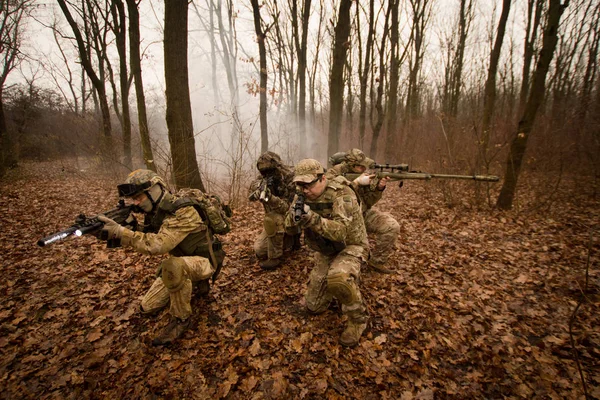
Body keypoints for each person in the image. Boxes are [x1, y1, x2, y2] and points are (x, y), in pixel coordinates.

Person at [98, 169, 226, 346]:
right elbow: (152, 233)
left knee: (173, 266)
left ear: (154, 191)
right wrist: (132, 228)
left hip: (205, 262)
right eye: (133, 199)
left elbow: (158, 245)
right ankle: (194, 283)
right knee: (147, 307)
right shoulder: (159, 212)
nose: (136, 203)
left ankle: (182, 319)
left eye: (139, 197)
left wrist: (123, 233)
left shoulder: (184, 211)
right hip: (185, 260)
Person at [285, 159, 369, 347]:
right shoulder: (301, 195)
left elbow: (341, 232)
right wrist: (293, 219)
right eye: (300, 184)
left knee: (338, 278)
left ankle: (358, 320)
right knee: (314, 307)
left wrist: (311, 218)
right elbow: (288, 229)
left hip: (351, 246)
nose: (304, 189)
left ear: (322, 178)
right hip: (326, 250)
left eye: (308, 184)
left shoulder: (342, 193)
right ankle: (340, 287)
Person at [328, 148, 400, 274]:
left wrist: (379, 188)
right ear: (353, 165)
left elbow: (368, 201)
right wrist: (355, 183)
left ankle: (377, 262)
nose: (365, 169)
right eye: (361, 167)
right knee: (349, 249)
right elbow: (330, 194)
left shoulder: (364, 175)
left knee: (392, 226)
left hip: (362, 213)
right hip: (340, 218)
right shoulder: (334, 172)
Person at [248, 151, 300, 270]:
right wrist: (258, 189)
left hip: (293, 216)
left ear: (277, 166)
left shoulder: (290, 178)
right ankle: (288, 240)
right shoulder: (264, 177)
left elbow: (287, 208)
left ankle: (275, 258)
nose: (267, 174)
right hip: (278, 220)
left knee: (273, 218)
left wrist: (271, 198)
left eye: (269, 170)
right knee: (259, 251)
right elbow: (251, 192)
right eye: (263, 171)